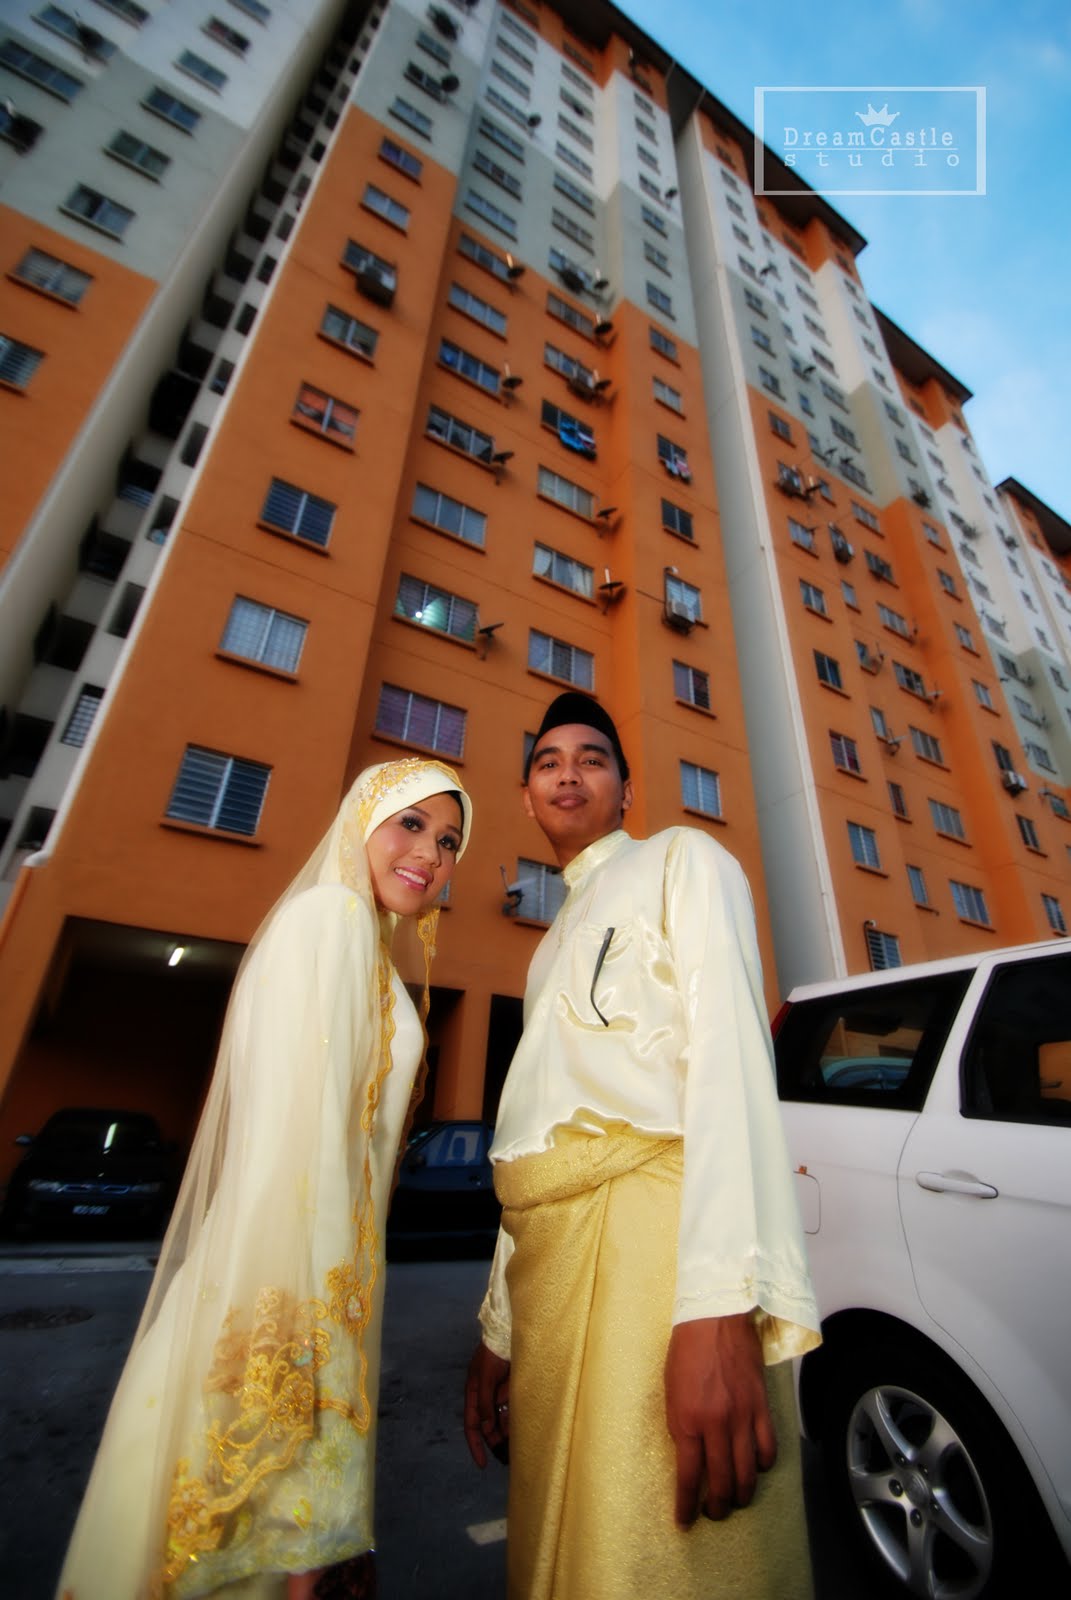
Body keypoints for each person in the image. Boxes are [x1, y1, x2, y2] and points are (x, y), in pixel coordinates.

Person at [59, 756, 473, 1600]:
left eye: (449, 841)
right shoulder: (331, 921)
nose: (430, 854)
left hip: (288, 1280)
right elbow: (305, 1163)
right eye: (411, 823)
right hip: (279, 1291)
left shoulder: (361, 946)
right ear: (360, 821)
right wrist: (314, 1490)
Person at [464, 693, 820, 1600]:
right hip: (549, 1273)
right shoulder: (544, 950)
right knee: (563, 1544)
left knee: (649, 1549)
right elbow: (533, 1148)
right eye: (547, 762)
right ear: (527, 797)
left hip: (653, 1255)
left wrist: (719, 1310)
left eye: (591, 759)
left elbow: (730, 1072)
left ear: (625, 791)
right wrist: (498, 1331)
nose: (568, 774)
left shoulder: (681, 860)